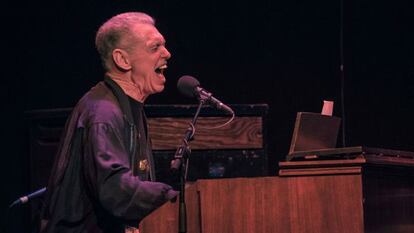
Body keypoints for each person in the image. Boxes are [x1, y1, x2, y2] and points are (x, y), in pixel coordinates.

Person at [40, 12, 177, 233]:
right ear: (122, 60)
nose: (167, 53)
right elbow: (114, 189)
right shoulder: (103, 112)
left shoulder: (129, 106)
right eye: (155, 47)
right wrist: (171, 198)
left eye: (164, 45)